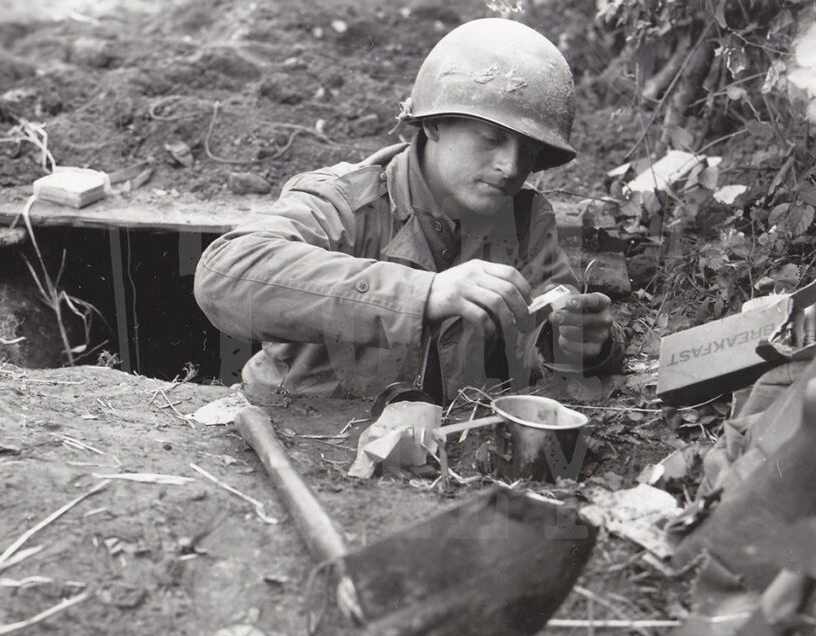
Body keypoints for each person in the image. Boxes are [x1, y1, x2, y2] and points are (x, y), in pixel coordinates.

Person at [194, 17, 625, 402]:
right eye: (491, 139)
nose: (511, 167)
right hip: (301, 438)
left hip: (437, 458)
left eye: (529, 152)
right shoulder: (347, 202)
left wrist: (580, 344)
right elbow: (225, 274)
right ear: (435, 123)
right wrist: (423, 293)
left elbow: (545, 346)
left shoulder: (526, 220)